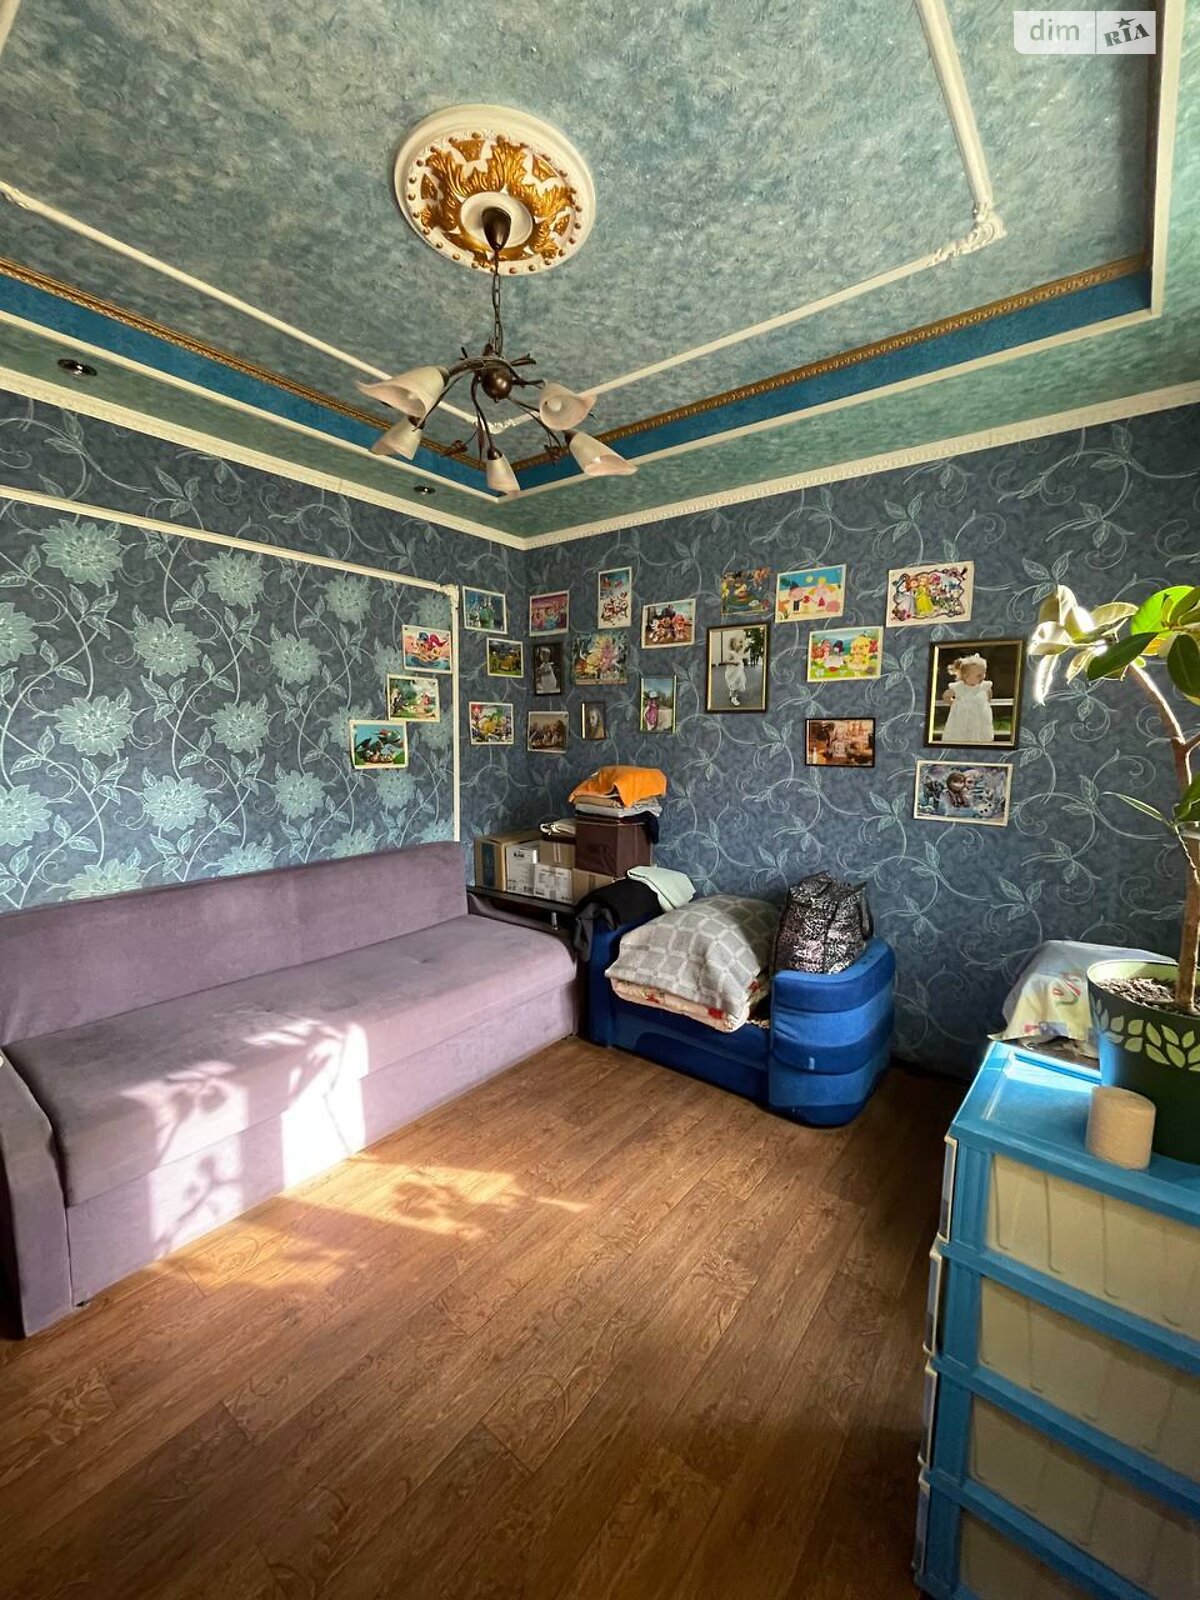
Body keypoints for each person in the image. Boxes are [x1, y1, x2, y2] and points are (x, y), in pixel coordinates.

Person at [941, 653, 994, 743]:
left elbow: (989, 696)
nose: (983, 677)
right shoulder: (959, 687)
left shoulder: (984, 686)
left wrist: (985, 702)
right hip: (962, 720)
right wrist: (953, 703)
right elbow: (946, 696)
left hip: (979, 719)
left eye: (984, 674)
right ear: (966, 676)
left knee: (980, 737)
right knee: (960, 736)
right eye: (979, 675)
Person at [723, 632, 748, 707]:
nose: (741, 644)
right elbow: (725, 661)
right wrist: (733, 662)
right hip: (732, 673)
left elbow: (741, 657)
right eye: (739, 642)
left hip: (738, 673)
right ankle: (733, 699)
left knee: (736, 684)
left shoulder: (738, 653)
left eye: (741, 642)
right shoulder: (731, 653)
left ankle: (732, 694)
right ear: (733, 645)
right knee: (734, 685)